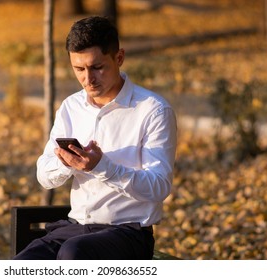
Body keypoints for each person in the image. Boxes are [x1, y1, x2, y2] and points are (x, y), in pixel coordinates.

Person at [14, 16, 177, 260]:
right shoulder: (71, 106)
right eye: (79, 69)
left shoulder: (153, 110)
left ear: (119, 58)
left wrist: (102, 167)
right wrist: (66, 161)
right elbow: (44, 176)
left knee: (73, 255)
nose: (87, 79)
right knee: (23, 264)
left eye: (97, 67)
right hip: (74, 227)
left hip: (128, 233)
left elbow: (159, 187)